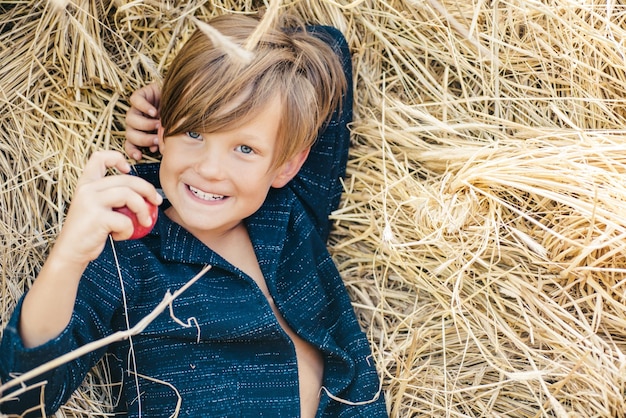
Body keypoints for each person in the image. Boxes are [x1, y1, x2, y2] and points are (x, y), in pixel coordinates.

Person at [0, 13, 387, 417]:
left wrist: (188, 95)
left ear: (287, 164)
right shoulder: (129, 249)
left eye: (245, 149)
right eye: (195, 133)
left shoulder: (293, 210)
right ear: (164, 131)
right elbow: (21, 399)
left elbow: (330, 49)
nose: (210, 169)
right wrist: (68, 257)